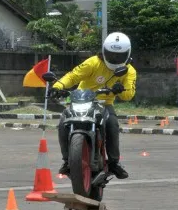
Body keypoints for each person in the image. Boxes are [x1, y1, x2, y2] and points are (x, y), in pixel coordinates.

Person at [50, 32, 137, 179]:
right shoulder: (93, 62)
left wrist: (120, 89)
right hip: (82, 100)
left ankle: (114, 162)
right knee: (63, 121)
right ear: (103, 51)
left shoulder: (129, 71)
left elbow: (129, 95)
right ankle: (67, 160)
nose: (114, 58)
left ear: (127, 54)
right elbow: (73, 75)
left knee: (112, 124)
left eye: (119, 55)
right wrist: (58, 86)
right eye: (111, 54)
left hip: (105, 103)